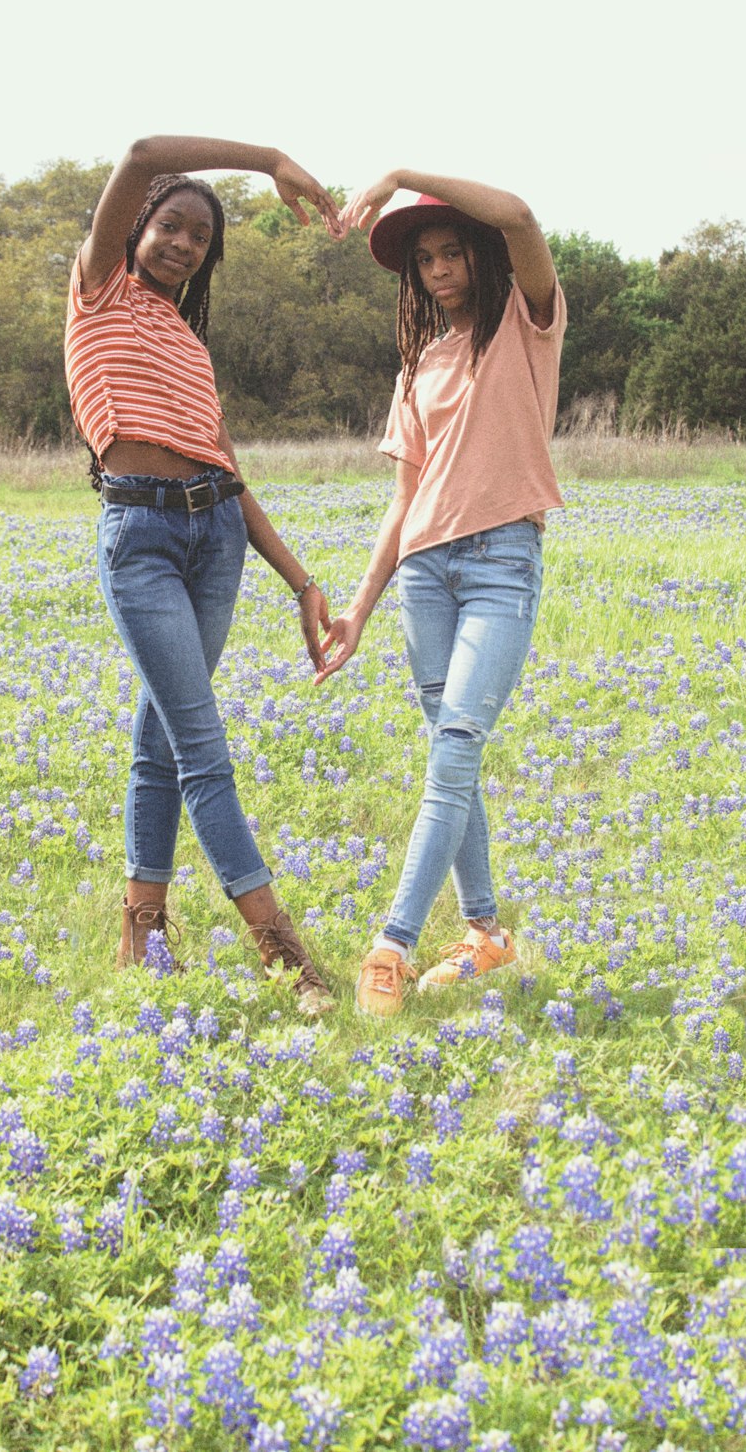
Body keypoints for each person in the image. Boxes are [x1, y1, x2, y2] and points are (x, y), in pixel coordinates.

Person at [65, 135, 339, 1015]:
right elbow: (144, 150)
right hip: (141, 534)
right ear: (139, 226)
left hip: (215, 535)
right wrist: (268, 160)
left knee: (161, 740)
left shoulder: (188, 341)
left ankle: (141, 928)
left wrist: (300, 582)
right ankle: (281, 951)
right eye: (171, 226)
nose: (183, 244)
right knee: (200, 745)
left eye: (199, 239)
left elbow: (228, 470)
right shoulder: (98, 289)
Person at [318, 168, 566, 1015]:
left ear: (478, 256)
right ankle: (487, 933)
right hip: (424, 575)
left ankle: (389, 945)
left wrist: (401, 177)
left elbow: (525, 217)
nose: (436, 269)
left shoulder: (526, 328)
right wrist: (358, 606)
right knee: (449, 758)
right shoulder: (420, 363)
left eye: (450, 251)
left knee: (456, 745)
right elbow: (403, 501)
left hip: (502, 561)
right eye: (424, 259)